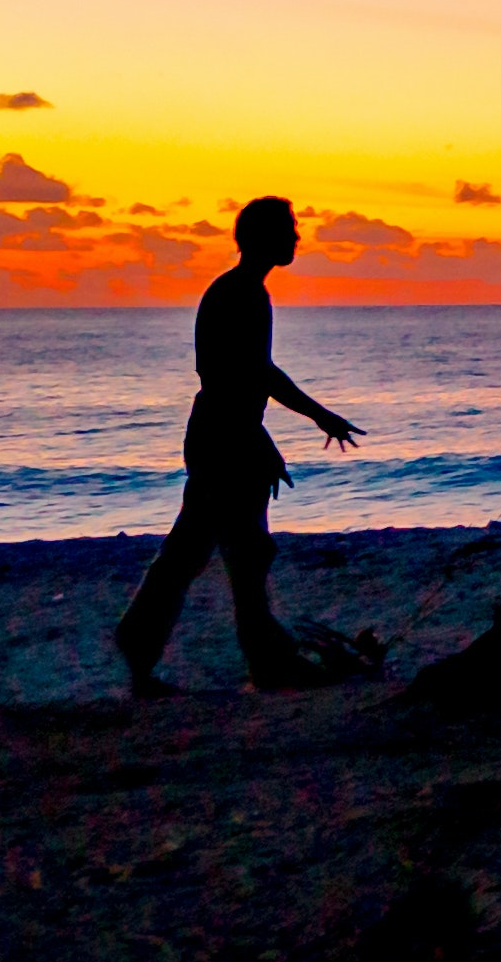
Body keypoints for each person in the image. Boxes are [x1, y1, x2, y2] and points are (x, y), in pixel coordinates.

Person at [112, 196, 364, 694]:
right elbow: (246, 376)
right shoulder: (243, 294)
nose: (297, 238)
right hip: (225, 436)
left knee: (207, 549)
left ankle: (147, 647)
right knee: (237, 552)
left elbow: (248, 375)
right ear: (264, 238)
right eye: (289, 229)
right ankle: (262, 661)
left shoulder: (240, 291)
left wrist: (271, 435)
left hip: (223, 432)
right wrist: (305, 422)